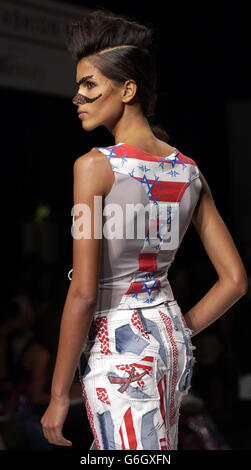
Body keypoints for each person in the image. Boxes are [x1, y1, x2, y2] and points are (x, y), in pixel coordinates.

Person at [40, 9, 248, 450]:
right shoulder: (189, 171)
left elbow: (83, 292)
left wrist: (59, 394)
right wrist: (177, 327)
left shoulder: (94, 168)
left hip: (119, 350)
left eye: (89, 85)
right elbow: (235, 281)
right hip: (171, 343)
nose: (77, 97)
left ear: (128, 89)